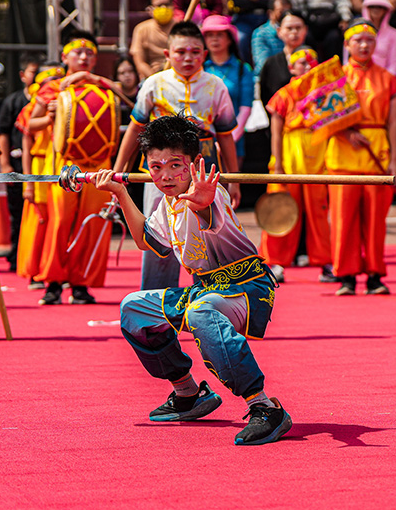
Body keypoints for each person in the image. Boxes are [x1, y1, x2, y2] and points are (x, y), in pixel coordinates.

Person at [95, 115, 291, 445]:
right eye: (155, 167)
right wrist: (120, 193)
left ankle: (265, 407)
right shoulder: (165, 204)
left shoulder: (213, 193)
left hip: (246, 286)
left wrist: (203, 204)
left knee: (202, 311)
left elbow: (209, 210)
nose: (166, 175)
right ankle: (188, 393)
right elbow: (148, 243)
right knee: (134, 309)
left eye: (175, 165)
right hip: (205, 288)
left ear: (194, 163)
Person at [113, 21, 240, 291]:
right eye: (180, 52)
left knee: (205, 234)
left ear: (204, 55)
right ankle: (157, 305)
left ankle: (210, 300)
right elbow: (135, 128)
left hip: (202, 167)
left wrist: (235, 179)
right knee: (158, 232)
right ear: (168, 54)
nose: (188, 58)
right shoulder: (153, 84)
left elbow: (226, 135)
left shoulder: (216, 85)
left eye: (195, 52)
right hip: (161, 170)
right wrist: (118, 169)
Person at [27, 33, 122, 306]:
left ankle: (81, 283)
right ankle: (54, 282)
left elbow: (127, 102)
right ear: (65, 57)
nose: (84, 58)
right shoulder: (52, 87)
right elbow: (28, 127)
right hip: (63, 163)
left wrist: (97, 82)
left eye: (90, 53)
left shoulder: (105, 87)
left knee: (92, 222)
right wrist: (49, 116)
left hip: (98, 163)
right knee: (60, 222)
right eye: (78, 53)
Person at [327, 20, 396, 296]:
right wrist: (345, 132)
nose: (363, 45)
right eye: (357, 40)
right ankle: (346, 275)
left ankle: (374, 274)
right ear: (347, 45)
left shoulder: (388, 79)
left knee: (375, 220)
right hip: (341, 155)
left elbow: (394, 123)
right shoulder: (333, 79)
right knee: (343, 219)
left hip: (376, 155)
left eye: (369, 40)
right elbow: (319, 118)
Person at [261, 46, 334, 284]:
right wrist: (278, 164)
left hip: (316, 161)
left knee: (319, 215)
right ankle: (277, 264)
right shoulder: (284, 94)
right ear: (291, 67)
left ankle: (326, 263)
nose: (306, 66)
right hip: (288, 160)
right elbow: (276, 131)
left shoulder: (324, 95)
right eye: (300, 62)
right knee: (280, 212)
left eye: (311, 61)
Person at [14, 65, 63, 291]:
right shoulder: (33, 106)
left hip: (60, 164)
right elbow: (27, 142)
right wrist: (28, 182)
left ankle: (53, 270)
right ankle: (34, 270)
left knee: (57, 220)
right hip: (40, 165)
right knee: (39, 220)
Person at [0, 55, 40, 270]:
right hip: (16, 162)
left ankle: (35, 257)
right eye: (33, 72)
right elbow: (3, 132)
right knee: (17, 211)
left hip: (41, 166)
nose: (38, 77)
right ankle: (16, 255)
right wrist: (5, 163)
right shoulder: (13, 101)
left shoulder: (53, 100)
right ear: (23, 76)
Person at [202, 16, 253, 160]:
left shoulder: (243, 69)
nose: (214, 39)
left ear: (230, 39)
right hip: (201, 141)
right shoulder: (198, 68)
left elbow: (245, 109)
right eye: (210, 35)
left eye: (219, 35)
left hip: (234, 140)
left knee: (230, 182)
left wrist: (229, 139)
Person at [259, 10, 308, 113]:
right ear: (279, 31)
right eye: (289, 28)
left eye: (298, 28)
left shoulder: (315, 59)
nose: (294, 32)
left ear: (305, 30)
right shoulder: (271, 64)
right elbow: (266, 97)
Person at [131, 0, 177, 80]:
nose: (163, 8)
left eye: (167, 4)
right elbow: (140, 62)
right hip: (152, 77)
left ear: (173, 6)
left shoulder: (182, 27)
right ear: (150, 10)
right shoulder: (141, 29)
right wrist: (156, 80)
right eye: (159, 6)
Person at [358, 0, 396, 77]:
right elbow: (347, 61)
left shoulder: (394, 34)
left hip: (384, 81)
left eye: (380, 7)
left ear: (386, 10)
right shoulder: (356, 32)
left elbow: (394, 65)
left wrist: (382, 82)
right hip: (359, 79)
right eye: (372, 6)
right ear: (366, 9)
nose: (376, 10)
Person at [250, 0, 291, 80]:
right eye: (281, 11)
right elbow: (263, 64)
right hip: (268, 80)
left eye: (288, 11)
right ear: (270, 14)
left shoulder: (295, 31)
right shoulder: (260, 34)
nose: (285, 15)